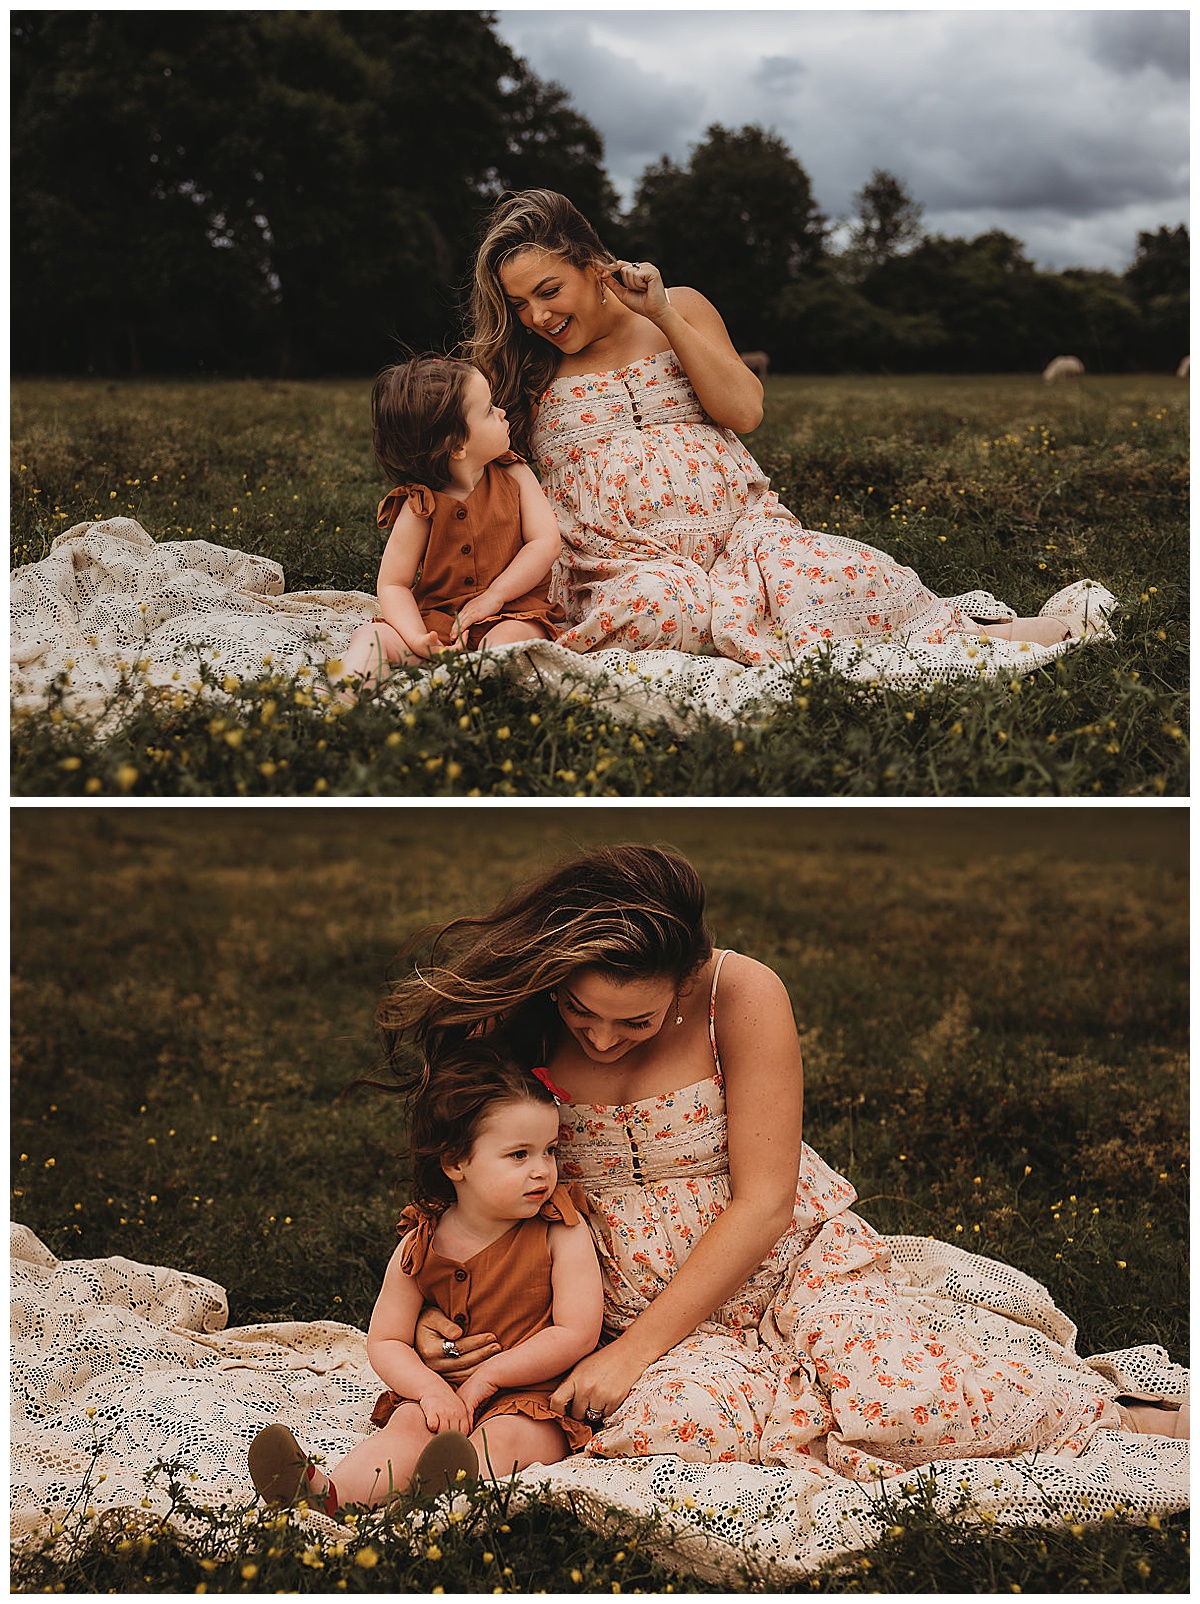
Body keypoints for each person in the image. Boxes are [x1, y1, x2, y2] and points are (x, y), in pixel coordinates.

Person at [376, 845, 1185, 1479]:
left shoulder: (740, 992)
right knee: (665, 1435)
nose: (599, 1037)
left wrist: (633, 1353)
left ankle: (1123, 1417)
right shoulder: (519, 1010)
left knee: (902, 1400)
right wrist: (442, 1300)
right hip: (599, 1295)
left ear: (686, 978)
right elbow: (460, 1164)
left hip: (782, 1265)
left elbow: (766, 1202)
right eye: (580, 1011)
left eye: (636, 1021)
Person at [465, 190, 1079, 663]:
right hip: (618, 562)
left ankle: (964, 636)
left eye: (549, 291)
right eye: (518, 304)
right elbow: (474, 469)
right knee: (655, 608)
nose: (537, 316)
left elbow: (745, 411)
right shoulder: (522, 363)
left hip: (743, 535)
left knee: (829, 575)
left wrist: (663, 315)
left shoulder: (680, 307)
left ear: (595, 265)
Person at [247, 1044, 603, 1511]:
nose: (543, 1170)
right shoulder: (423, 1241)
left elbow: (576, 1332)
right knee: (409, 1427)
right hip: (445, 1393)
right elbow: (386, 1340)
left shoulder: (559, 1229)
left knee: (509, 1440)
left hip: (532, 1398)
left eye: (549, 1151)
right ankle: (329, 1494)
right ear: (456, 1164)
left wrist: (490, 1377)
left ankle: (438, 1494)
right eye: (519, 1155)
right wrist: (431, 1390)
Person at [339, 353, 562, 688]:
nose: (501, 413)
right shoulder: (421, 505)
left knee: (507, 643)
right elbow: (393, 583)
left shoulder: (515, 474)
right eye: (489, 410)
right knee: (372, 635)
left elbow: (545, 542)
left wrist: (496, 595)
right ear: (457, 447)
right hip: (438, 622)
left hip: (512, 611)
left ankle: (466, 689)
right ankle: (345, 695)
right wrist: (416, 637)